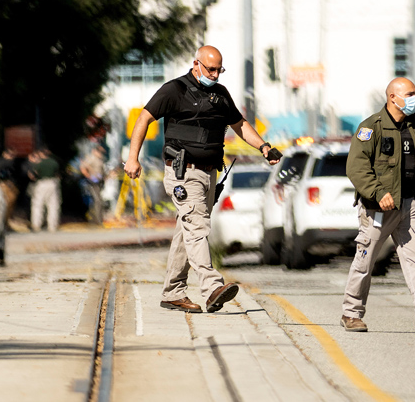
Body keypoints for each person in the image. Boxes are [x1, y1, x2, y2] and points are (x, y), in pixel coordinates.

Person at [124, 45, 280, 313]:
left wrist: (264, 147)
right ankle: (211, 287)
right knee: (197, 226)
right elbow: (144, 119)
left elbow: (239, 124)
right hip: (183, 173)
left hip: (209, 173)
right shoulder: (175, 90)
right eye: (211, 69)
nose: (216, 74)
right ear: (196, 64)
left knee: (186, 231)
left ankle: (173, 292)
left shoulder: (220, 94)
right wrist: (132, 157)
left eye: (220, 70)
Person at [341, 77, 415, 335]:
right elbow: (356, 168)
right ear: (392, 97)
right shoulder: (371, 127)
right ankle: (351, 312)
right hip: (379, 208)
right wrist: (377, 192)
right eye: (409, 94)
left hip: (411, 204)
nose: (414, 98)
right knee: (366, 260)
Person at [29, 147, 61, 232]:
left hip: (42, 183)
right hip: (52, 183)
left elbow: (34, 175)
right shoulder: (54, 163)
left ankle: (36, 224)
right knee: (53, 205)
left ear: (41, 154)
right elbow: (57, 174)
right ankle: (52, 226)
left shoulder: (39, 163)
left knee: (38, 204)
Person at [80, 144, 107, 225]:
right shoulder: (91, 158)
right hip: (92, 183)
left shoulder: (101, 159)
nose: (101, 153)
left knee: (98, 201)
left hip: (99, 182)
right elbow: (83, 168)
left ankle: (97, 219)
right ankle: (96, 220)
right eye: (100, 152)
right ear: (95, 151)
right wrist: (89, 177)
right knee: (97, 201)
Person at [0, 148, 21, 228]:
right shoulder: (8, 163)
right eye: (10, 155)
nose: (12, 157)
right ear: (4, 154)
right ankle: (4, 223)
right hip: (7, 185)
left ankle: (3, 223)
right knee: (7, 205)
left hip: (1, 185)